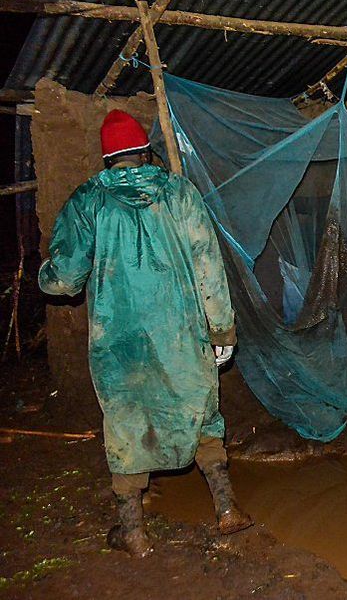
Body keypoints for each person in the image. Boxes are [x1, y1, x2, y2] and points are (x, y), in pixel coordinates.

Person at [39, 110, 253, 557]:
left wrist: (46, 274)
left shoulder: (88, 202)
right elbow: (209, 265)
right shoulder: (179, 193)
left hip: (120, 344)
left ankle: (133, 533)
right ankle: (228, 510)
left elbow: (64, 280)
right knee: (201, 411)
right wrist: (222, 330)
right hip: (182, 335)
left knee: (126, 423)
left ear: (107, 158)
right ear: (142, 150)